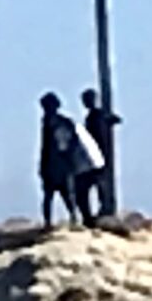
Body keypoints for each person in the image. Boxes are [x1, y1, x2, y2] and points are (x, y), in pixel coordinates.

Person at [37, 92, 88, 227]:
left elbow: (71, 142)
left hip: (60, 164)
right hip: (55, 164)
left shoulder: (61, 123)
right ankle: (52, 222)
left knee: (65, 195)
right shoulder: (51, 122)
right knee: (54, 195)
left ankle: (72, 219)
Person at [79, 89, 118, 217]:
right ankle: (92, 214)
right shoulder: (92, 117)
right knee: (89, 186)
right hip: (94, 156)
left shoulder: (98, 116)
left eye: (87, 100)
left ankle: (102, 211)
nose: (86, 103)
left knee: (96, 185)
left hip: (99, 156)